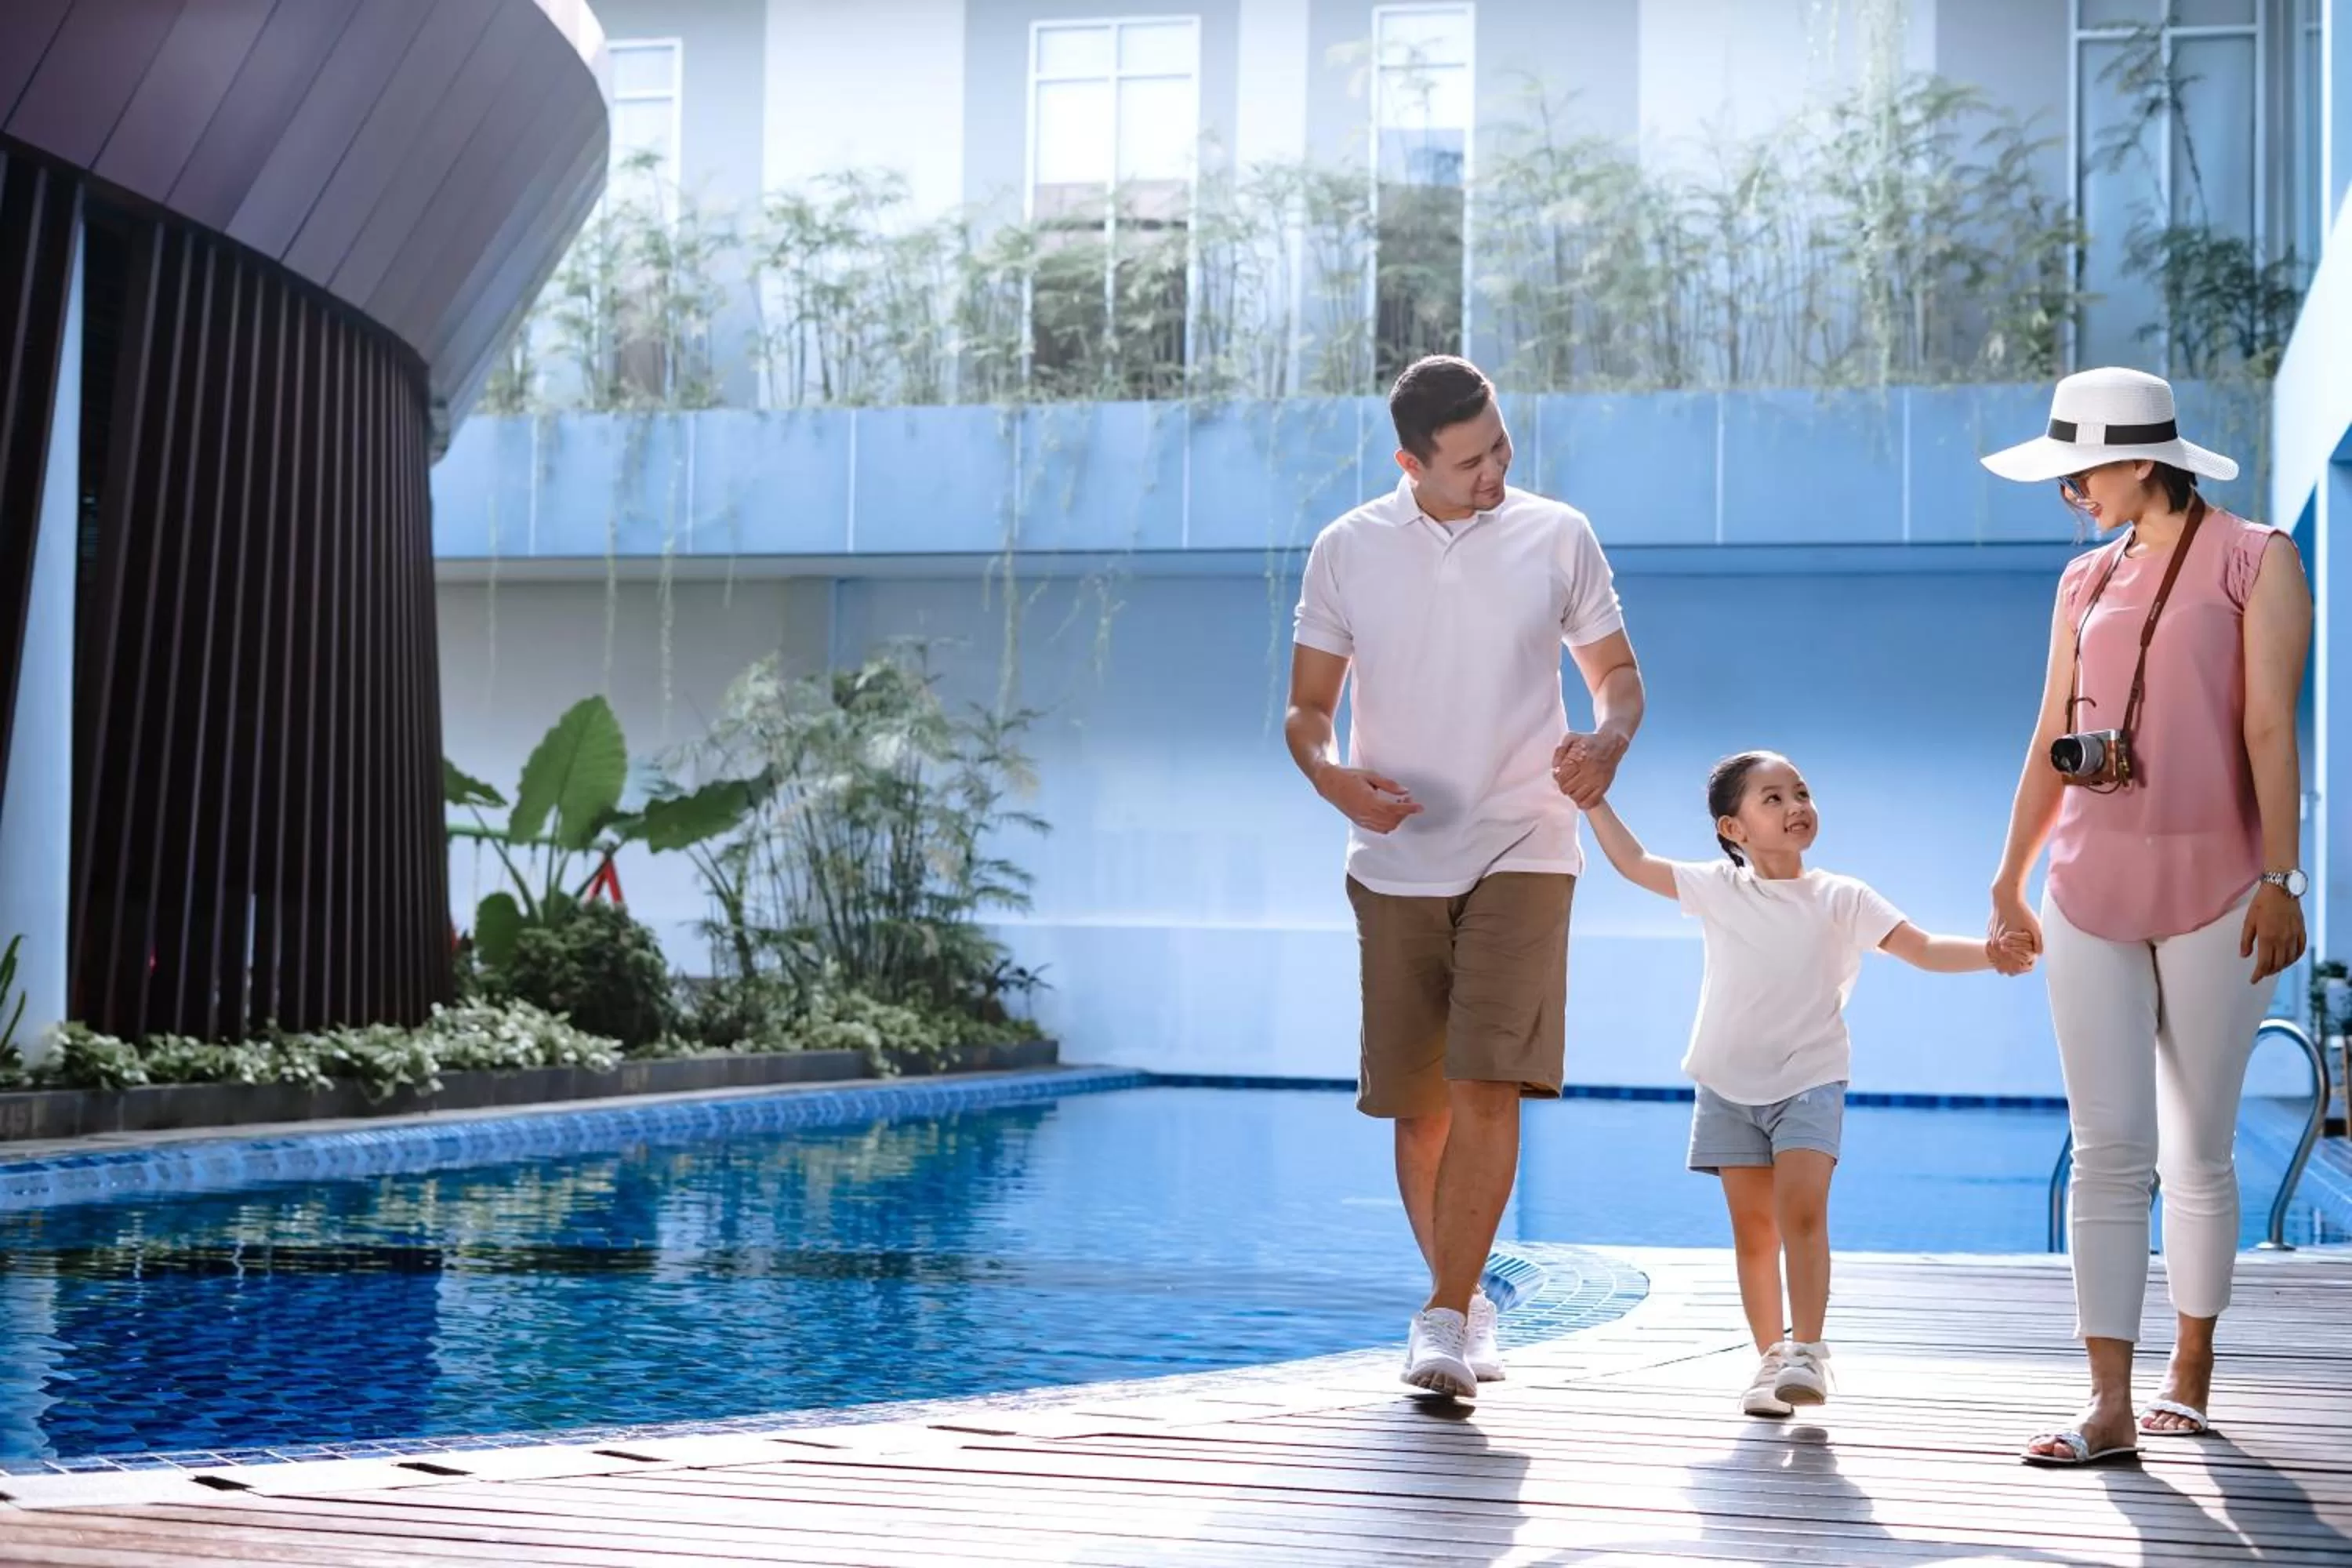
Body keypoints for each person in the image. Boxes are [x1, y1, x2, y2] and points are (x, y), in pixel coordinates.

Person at [1286, 354, 1643, 1402]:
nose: (1496, 471)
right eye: (1470, 460)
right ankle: (1469, 1301)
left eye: (1502, 447)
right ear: (1411, 463)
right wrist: (1329, 777)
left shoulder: (1558, 534)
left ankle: (1440, 1316)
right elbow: (1308, 709)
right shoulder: (1347, 548)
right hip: (1396, 857)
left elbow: (1617, 677)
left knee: (1487, 1078)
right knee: (1421, 1103)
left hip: (1525, 838)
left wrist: (1608, 740)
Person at [1976, 368, 2312, 1468]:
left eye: (2081, 473)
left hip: (2225, 890)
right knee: (2107, 1147)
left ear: (2139, 459)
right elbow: (2049, 733)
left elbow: (2269, 730)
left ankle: (2191, 1371)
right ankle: (2108, 1402)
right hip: (2087, 887)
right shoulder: (2082, 579)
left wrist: (2283, 878)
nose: (2071, 492)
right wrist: (2008, 877)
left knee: (2197, 1151)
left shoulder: (2257, 558)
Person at [1578, 750, 2034, 1417]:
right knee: (1753, 1232)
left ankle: (1808, 1353)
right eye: (1773, 798)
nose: (1796, 807)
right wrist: (1592, 800)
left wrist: (1990, 955)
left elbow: (1923, 948)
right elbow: (1634, 862)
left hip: (1811, 1078)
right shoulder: (1716, 887)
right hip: (1726, 1084)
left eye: (1801, 792)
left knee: (1803, 1215)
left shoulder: (1843, 896)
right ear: (1733, 829)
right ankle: (1770, 1361)